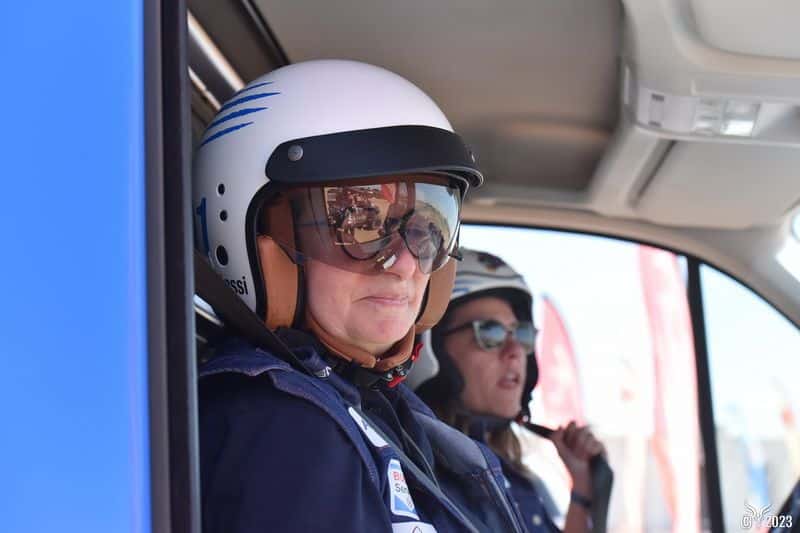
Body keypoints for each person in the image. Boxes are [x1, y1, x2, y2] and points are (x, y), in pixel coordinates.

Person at [194, 60, 528, 532]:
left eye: (427, 229)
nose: (407, 263)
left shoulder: (371, 407)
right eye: (359, 226)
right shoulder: (287, 430)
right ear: (256, 230)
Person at [414, 249, 605, 533]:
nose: (515, 351)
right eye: (489, 333)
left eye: (522, 334)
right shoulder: (419, 479)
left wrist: (583, 487)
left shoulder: (510, 477)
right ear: (435, 350)